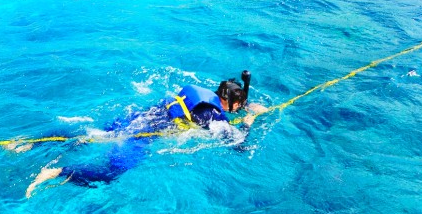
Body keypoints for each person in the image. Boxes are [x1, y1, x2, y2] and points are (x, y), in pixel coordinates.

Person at [24, 72, 266, 197]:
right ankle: (58, 172)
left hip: (139, 116)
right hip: (145, 134)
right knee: (109, 175)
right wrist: (248, 121)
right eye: (240, 104)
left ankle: (27, 143)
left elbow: (220, 106)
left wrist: (242, 107)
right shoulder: (212, 117)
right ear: (231, 102)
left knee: (92, 133)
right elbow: (239, 144)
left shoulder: (200, 92)